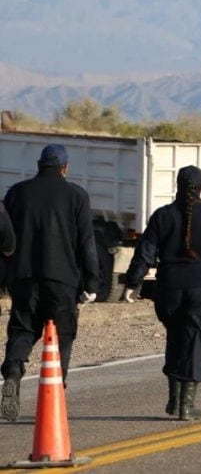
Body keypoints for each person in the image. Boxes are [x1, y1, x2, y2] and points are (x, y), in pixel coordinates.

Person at [121, 165, 201, 421]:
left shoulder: (162, 216)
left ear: (177, 186)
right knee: (196, 344)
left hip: (169, 292)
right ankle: (186, 405)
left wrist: (131, 285)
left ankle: (174, 400)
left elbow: (144, 253)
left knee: (175, 339)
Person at [1, 144, 99, 422]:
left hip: (23, 277)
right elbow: (86, 243)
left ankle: (13, 370)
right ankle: (54, 392)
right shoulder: (77, 196)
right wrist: (92, 283)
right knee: (62, 336)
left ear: (38, 164)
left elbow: (5, 237)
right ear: (65, 168)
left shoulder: (16, 194)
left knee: (22, 328)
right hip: (62, 280)